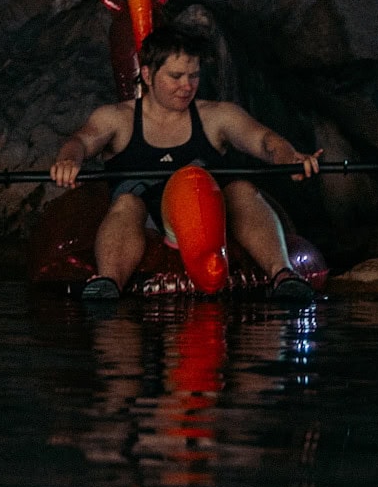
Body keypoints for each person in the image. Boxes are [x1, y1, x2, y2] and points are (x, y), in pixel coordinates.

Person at [51, 27, 322, 302]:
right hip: (146, 220)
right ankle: (109, 281)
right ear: (147, 75)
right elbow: (81, 141)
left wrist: (288, 157)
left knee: (241, 189)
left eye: (193, 76)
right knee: (126, 202)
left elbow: (264, 140)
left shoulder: (218, 116)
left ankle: (283, 275)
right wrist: (69, 160)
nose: (187, 86)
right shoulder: (116, 118)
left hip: (208, 214)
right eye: (176, 76)